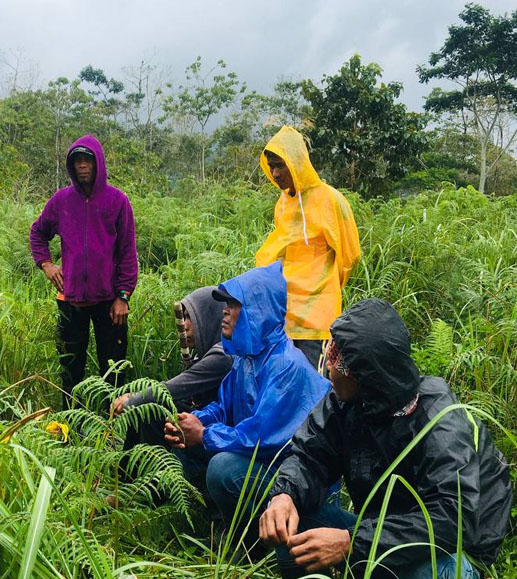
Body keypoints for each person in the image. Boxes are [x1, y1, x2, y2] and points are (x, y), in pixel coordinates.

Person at [259, 298, 513, 579]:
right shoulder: (346, 402)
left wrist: (352, 542)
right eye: (331, 351)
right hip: (374, 533)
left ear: (368, 373)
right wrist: (284, 496)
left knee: (422, 577)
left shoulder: (438, 419)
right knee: (292, 525)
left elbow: (450, 519)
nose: (329, 367)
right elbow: (308, 454)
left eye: (339, 361)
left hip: (455, 550)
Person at [164, 262, 330, 531]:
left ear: (258, 310)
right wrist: (192, 420)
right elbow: (222, 406)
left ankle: (250, 535)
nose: (224, 312)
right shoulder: (247, 359)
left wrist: (204, 434)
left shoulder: (285, 365)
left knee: (222, 468)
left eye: (234, 304)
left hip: (291, 479)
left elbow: (259, 440)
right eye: (224, 304)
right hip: (259, 458)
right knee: (185, 446)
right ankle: (212, 517)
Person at [29, 136, 138, 406]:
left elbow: (127, 251)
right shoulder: (62, 200)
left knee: (113, 372)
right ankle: (70, 428)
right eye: (77, 161)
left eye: (87, 160)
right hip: (70, 301)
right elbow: (38, 232)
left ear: (98, 163)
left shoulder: (117, 201)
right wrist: (47, 264)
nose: (82, 166)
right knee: (70, 371)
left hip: (109, 304)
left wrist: (123, 296)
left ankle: (113, 431)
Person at [254, 126, 361, 370]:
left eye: (280, 165)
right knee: (287, 381)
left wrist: (325, 286)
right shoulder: (282, 203)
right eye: (271, 166)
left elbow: (350, 254)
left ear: (297, 162)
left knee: (314, 385)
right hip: (285, 313)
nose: (275, 173)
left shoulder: (330, 199)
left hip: (317, 317)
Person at [111, 286, 233, 487]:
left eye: (190, 317)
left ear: (209, 317)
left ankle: (148, 488)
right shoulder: (208, 351)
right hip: (212, 423)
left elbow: (172, 389)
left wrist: (131, 400)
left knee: (149, 408)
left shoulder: (222, 355)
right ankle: (128, 480)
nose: (184, 326)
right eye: (182, 317)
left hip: (222, 435)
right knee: (149, 404)